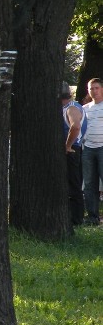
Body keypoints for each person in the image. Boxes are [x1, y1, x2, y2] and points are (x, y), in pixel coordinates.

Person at [61, 85, 86, 226]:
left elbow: (75, 126)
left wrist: (68, 145)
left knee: (73, 184)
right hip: (71, 149)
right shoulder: (67, 107)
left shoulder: (71, 108)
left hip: (72, 150)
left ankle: (76, 219)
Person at [81, 77, 103, 225]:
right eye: (91, 88)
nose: (94, 91)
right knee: (89, 184)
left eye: (96, 88)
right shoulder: (84, 109)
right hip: (88, 149)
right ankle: (93, 217)